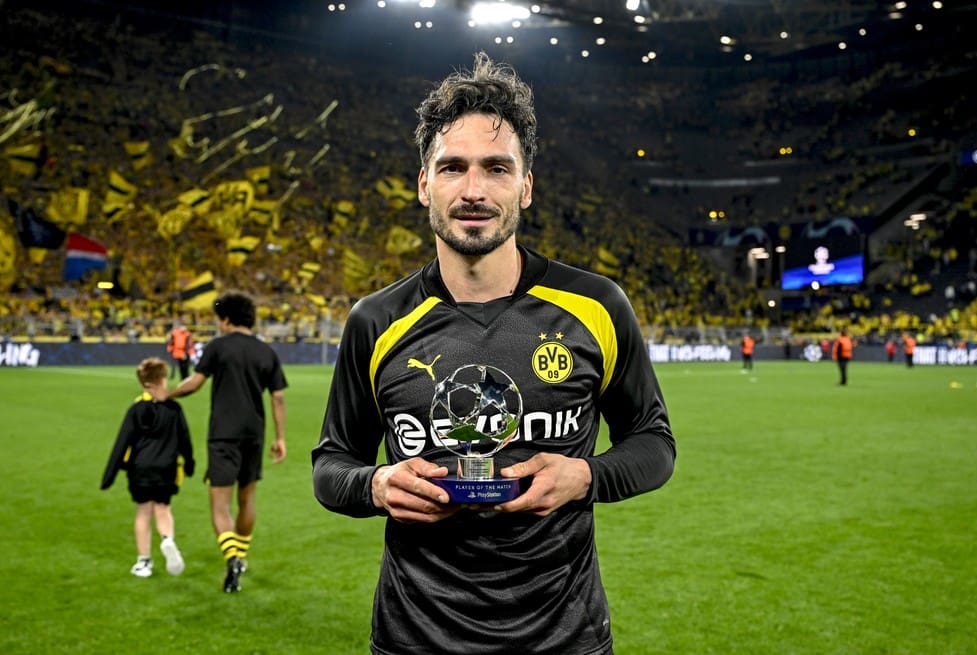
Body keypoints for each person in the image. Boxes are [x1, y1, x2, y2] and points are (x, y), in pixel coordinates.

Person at [312, 52, 676, 655]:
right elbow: (331, 466)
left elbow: (654, 443)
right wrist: (376, 486)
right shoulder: (375, 322)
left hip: (564, 639)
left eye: (497, 169)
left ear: (525, 187)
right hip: (414, 638)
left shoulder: (597, 306)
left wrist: (587, 475)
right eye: (453, 167)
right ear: (424, 182)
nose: (474, 190)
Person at [168, 292, 287, 593]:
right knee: (247, 500)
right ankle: (242, 556)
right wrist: (280, 437)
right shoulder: (265, 351)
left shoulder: (217, 347)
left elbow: (194, 383)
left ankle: (232, 557)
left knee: (220, 505)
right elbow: (278, 397)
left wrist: (166, 394)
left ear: (226, 318)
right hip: (254, 433)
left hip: (223, 432)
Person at [101, 357, 194, 578]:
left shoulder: (136, 409)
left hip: (140, 468)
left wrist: (109, 476)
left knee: (143, 512)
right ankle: (167, 540)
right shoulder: (174, 408)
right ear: (163, 379)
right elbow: (185, 439)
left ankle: (144, 562)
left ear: (143, 382)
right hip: (167, 467)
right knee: (163, 508)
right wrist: (190, 463)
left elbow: (122, 442)